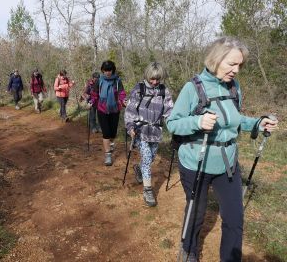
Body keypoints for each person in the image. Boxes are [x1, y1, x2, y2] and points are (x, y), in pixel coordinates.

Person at [166, 36, 278, 262]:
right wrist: (197, 122)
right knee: (196, 213)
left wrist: (257, 123)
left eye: (240, 65)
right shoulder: (193, 87)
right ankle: (189, 250)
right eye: (232, 64)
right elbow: (173, 123)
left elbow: (234, 119)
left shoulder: (234, 87)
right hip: (196, 162)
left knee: (235, 218)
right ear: (216, 59)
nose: (236, 70)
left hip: (227, 163)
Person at [124, 62, 174, 207]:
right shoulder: (138, 89)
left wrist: (175, 127)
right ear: (147, 75)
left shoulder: (164, 91)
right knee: (146, 158)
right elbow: (130, 110)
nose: (154, 82)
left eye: (158, 79)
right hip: (140, 130)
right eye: (152, 79)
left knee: (151, 157)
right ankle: (148, 190)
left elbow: (170, 111)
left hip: (156, 131)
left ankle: (139, 168)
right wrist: (130, 126)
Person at [89, 60, 127, 166]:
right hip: (102, 110)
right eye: (105, 70)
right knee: (106, 133)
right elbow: (94, 94)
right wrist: (91, 102)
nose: (107, 72)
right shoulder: (99, 81)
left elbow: (121, 93)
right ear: (102, 70)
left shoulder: (117, 80)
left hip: (115, 109)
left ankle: (111, 143)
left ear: (113, 70)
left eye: (109, 70)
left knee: (112, 133)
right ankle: (108, 155)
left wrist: (124, 101)